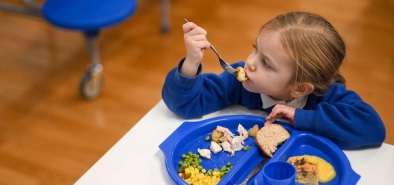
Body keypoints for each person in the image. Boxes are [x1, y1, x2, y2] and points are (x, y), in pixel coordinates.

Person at [162, 12, 385, 149]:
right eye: (255, 49)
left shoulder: (326, 96)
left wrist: (303, 118)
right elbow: (184, 105)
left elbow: (373, 129)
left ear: (299, 88)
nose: (249, 63)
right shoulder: (239, 84)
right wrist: (191, 64)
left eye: (266, 63)